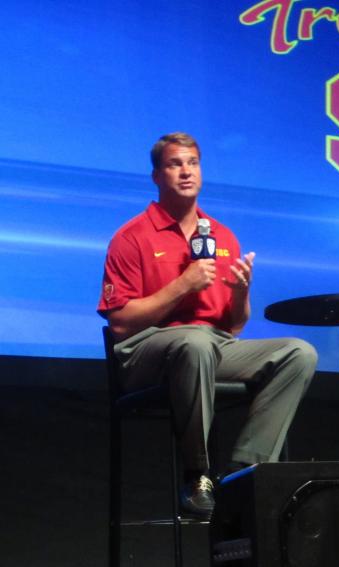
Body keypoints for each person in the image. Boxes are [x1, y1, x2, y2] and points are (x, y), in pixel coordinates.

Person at [97, 132, 317, 517]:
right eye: (175, 164)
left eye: (193, 163)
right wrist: (182, 285)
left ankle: (244, 471)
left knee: (299, 353)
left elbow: (232, 329)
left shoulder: (222, 235)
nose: (186, 172)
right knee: (195, 342)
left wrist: (240, 294)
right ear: (157, 176)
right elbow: (120, 324)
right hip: (146, 351)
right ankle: (197, 474)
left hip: (212, 346)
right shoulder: (131, 237)